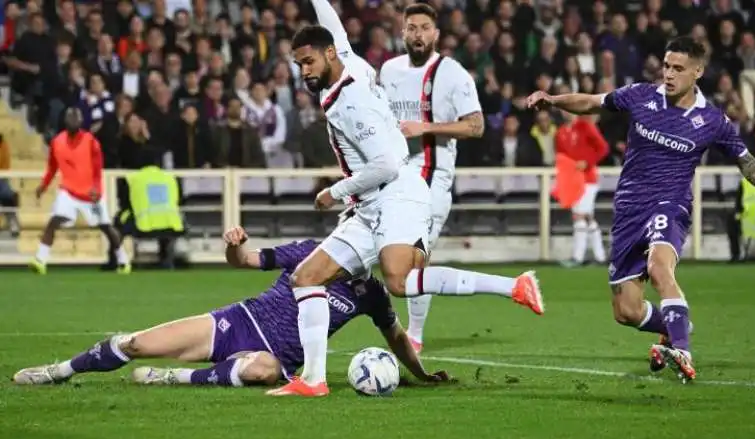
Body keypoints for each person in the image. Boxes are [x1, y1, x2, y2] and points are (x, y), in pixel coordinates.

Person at [276, 25, 542, 397]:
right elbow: (334, 25)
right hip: (369, 205)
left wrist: (333, 192)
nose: (303, 70)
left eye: (308, 61)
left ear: (331, 55)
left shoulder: (351, 100)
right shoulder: (351, 69)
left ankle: (514, 286)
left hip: (397, 193)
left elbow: (384, 165)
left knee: (398, 282)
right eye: (298, 63)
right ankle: (313, 380)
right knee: (305, 278)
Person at [525, 36, 755, 383]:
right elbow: (591, 102)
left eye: (678, 68)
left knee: (660, 267)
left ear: (698, 72)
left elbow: (744, 159)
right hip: (629, 209)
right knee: (626, 311)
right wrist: (553, 99)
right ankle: (676, 323)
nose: (669, 74)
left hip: (670, 204)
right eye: (666, 65)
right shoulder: (641, 96)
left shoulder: (712, 120)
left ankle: (682, 350)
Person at [12, 227, 450, 388]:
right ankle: (60, 371)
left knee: (260, 370)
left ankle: (176, 379)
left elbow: (395, 337)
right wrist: (234, 249)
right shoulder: (310, 252)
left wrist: (421, 375)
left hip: (277, 359)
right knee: (136, 343)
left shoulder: (372, 293)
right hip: (237, 321)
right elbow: (246, 262)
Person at [376, 3, 486, 354]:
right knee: (380, 259)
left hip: (433, 180)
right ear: (403, 32)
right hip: (393, 178)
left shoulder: (453, 74)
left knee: (414, 260)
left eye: (425, 27)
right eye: (412, 28)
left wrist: (426, 127)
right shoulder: (389, 70)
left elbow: (476, 125)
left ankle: (416, 335)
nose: (418, 34)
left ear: (436, 33)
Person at [31, 107, 131, 275]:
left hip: (90, 193)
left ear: (81, 121)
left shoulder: (91, 141)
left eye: (76, 117)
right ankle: (40, 260)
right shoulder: (57, 142)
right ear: (65, 120)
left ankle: (123, 260)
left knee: (106, 227)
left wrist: (97, 190)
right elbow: (52, 168)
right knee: (54, 221)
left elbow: (98, 170)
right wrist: (43, 185)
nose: (73, 120)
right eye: (70, 116)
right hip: (68, 191)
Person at [554, 111, 609, 267]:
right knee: (588, 218)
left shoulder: (585, 127)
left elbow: (603, 148)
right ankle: (600, 257)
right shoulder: (560, 132)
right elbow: (561, 158)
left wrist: (587, 162)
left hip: (588, 179)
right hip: (572, 180)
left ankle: (577, 258)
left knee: (579, 216)